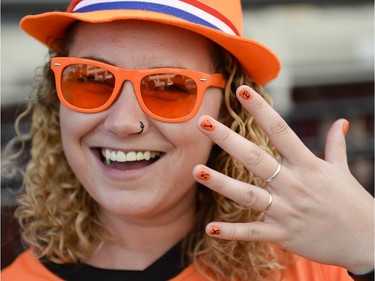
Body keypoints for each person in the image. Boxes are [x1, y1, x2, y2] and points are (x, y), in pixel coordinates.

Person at [2, 0, 374, 280]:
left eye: (171, 87)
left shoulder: (311, 268)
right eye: (91, 79)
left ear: (230, 111)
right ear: (56, 100)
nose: (124, 123)